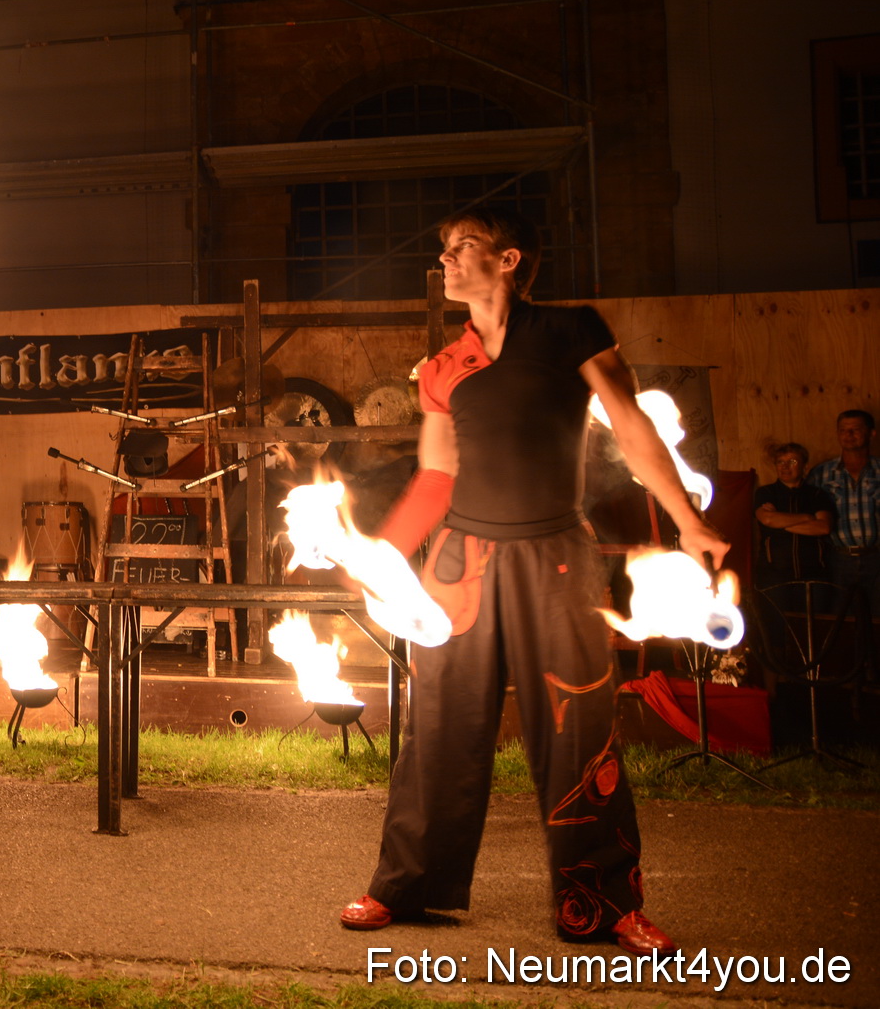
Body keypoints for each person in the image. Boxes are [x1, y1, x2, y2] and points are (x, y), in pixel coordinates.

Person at [335, 207, 728, 957]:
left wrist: (687, 519)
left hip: (556, 562)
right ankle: (406, 886)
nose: (446, 260)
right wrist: (382, 556)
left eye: (463, 247)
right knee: (441, 729)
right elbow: (437, 474)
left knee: (581, 730)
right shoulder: (445, 366)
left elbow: (631, 425)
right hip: (460, 568)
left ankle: (602, 904)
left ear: (509, 258)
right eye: (442, 249)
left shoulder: (571, 329)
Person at [808, 410, 880, 612]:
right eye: (843, 431)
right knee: (840, 620)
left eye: (855, 430)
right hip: (838, 559)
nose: (849, 435)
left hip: (876, 557)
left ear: (871, 433)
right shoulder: (821, 473)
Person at [753, 442, 834, 589]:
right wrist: (807, 518)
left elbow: (823, 527)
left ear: (805, 467)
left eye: (792, 462)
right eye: (780, 462)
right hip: (773, 576)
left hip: (814, 575)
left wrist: (780, 524)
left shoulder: (817, 494)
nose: (785, 466)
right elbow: (768, 519)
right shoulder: (766, 493)